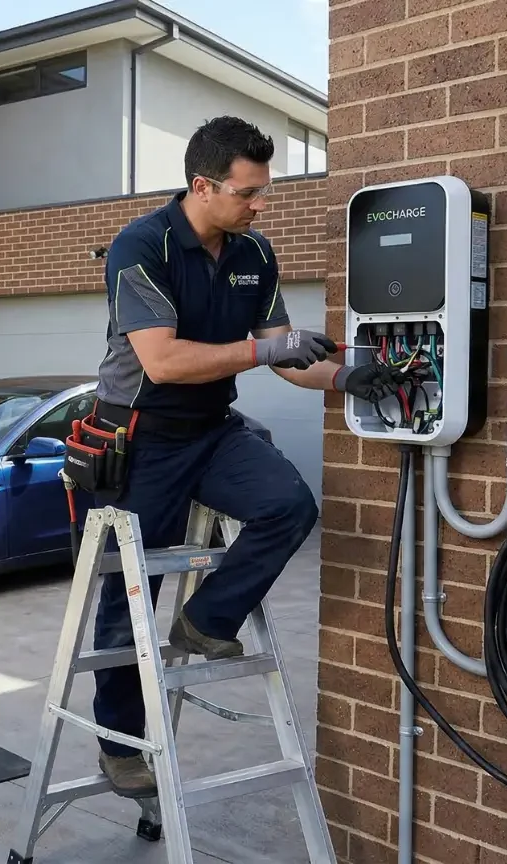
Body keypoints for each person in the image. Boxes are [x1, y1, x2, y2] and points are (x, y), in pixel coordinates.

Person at [75, 115, 406, 799]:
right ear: (203, 186)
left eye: (263, 192)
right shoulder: (141, 247)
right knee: (127, 596)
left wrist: (346, 377)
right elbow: (163, 362)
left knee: (289, 505)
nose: (259, 205)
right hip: (140, 437)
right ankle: (120, 744)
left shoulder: (254, 253)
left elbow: (285, 355)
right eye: (247, 192)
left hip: (211, 429)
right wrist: (266, 349)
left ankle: (207, 620)